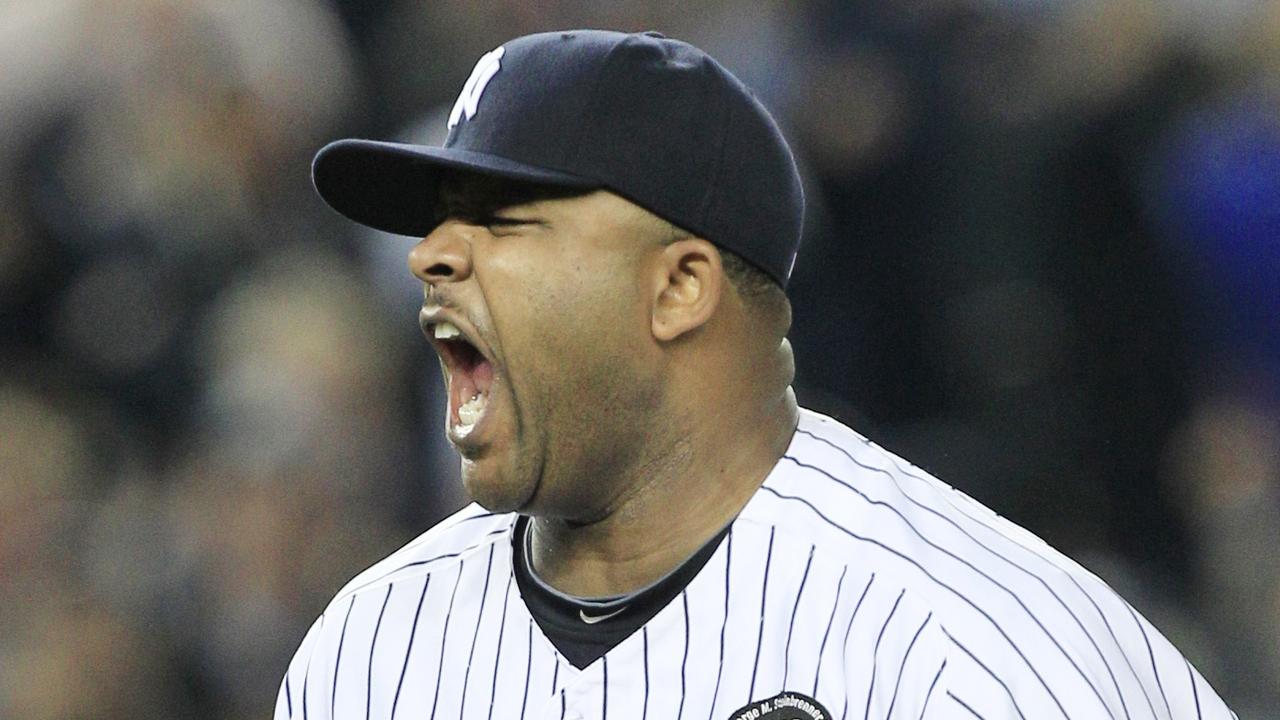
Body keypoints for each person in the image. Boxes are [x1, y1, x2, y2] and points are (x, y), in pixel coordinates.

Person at [278, 29, 1235, 720]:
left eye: (501, 219)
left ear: (680, 287)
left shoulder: (977, 648)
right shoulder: (371, 646)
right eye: (437, 220)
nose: (428, 257)